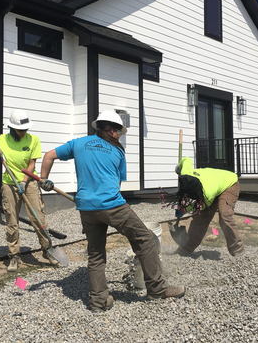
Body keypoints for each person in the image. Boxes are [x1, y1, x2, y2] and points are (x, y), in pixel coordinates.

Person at [40, 110, 185, 312]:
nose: (120, 136)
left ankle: (98, 301)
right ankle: (157, 289)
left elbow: (48, 156)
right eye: (119, 131)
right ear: (112, 130)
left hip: (87, 207)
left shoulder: (78, 143)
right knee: (144, 238)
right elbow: (116, 185)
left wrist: (44, 180)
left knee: (96, 253)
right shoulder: (118, 152)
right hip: (112, 205)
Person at [0, 109, 57, 272]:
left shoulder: (33, 139)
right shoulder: (2, 139)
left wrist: (23, 182)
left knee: (38, 218)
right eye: (20, 130)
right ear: (12, 128)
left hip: (28, 182)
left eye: (25, 129)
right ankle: (14, 256)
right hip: (9, 184)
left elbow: (32, 164)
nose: (23, 132)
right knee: (12, 220)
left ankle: (47, 250)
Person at [173, 156, 244, 257]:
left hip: (229, 184)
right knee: (200, 219)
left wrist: (184, 210)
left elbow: (201, 206)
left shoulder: (207, 194)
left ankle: (237, 249)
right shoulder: (186, 175)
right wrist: (178, 167)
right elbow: (186, 159)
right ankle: (186, 248)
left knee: (225, 214)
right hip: (215, 183)